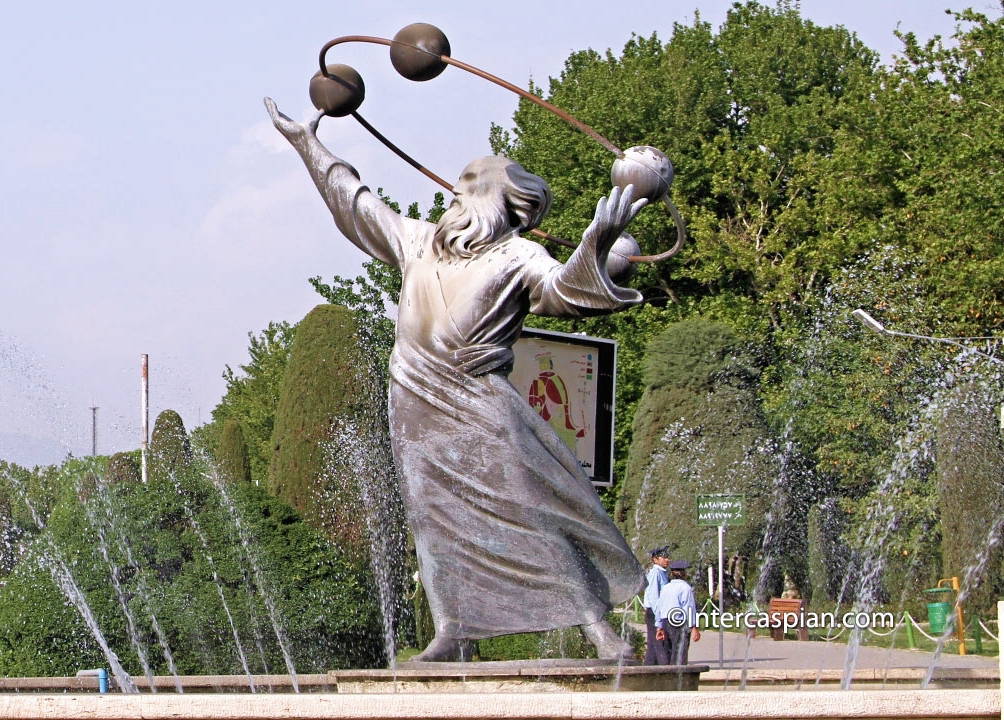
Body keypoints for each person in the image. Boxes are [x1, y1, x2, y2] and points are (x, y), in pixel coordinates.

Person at [267, 98, 648, 661]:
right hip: (415, 402)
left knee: (529, 506)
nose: (456, 188)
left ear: (503, 198)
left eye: (470, 181)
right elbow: (356, 206)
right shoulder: (418, 241)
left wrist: (596, 241)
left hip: (478, 400)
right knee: (431, 519)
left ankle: (597, 628)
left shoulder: (522, 256)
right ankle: (453, 631)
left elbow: (566, 292)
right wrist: (309, 145)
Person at [655, 560, 701, 665]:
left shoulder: (666, 588)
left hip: (666, 621)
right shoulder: (685, 588)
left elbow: (659, 607)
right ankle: (678, 677)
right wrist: (693, 627)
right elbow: (689, 608)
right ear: (684, 574)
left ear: (672, 574)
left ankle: (667, 676)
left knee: (668, 652)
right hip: (679, 622)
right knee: (680, 652)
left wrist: (659, 627)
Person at [642, 546, 671, 665]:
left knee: (653, 645)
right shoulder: (655, 573)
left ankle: (647, 669)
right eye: (663, 557)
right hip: (654, 612)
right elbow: (654, 597)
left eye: (667, 557)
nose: (667, 560)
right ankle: (664, 670)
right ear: (655, 559)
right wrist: (658, 617)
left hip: (659, 612)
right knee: (659, 642)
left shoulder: (663, 573)